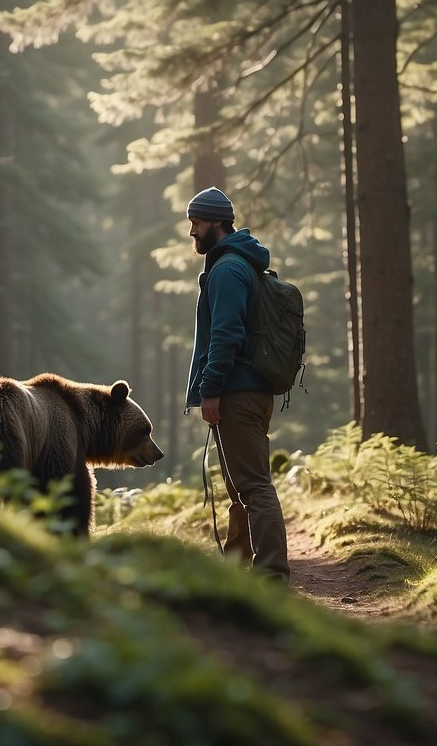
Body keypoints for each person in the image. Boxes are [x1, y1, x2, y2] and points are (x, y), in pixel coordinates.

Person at [184, 186, 291, 583]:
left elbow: (226, 336)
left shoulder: (227, 269)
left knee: (253, 487)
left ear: (214, 222)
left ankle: (272, 574)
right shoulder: (240, 264)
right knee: (241, 489)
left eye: (196, 223)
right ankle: (235, 568)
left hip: (237, 392)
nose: (192, 231)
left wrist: (210, 390)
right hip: (250, 389)